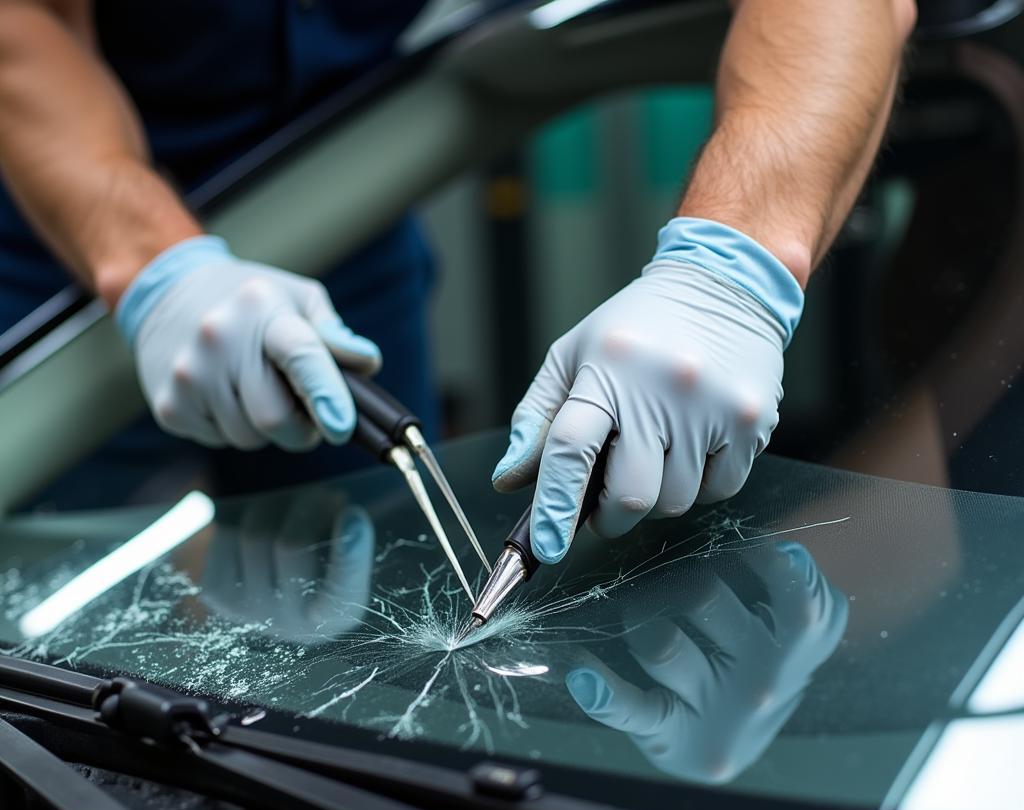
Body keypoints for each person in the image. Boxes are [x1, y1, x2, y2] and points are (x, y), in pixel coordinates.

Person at [0, 0, 916, 548]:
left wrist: (732, 270)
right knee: (45, 597)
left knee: (380, 561)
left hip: (343, 187)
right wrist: (157, 270)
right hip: (50, 236)